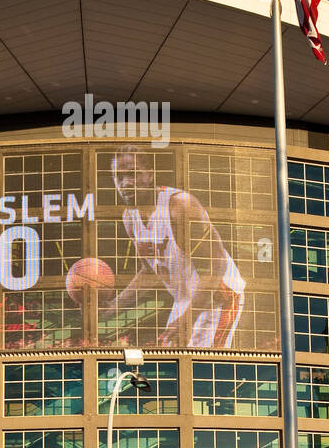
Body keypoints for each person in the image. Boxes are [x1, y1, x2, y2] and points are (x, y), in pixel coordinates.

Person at [104, 144, 247, 348]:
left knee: (201, 368)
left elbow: (217, 265)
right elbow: (150, 272)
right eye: (119, 177)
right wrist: (114, 306)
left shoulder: (180, 206)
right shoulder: (130, 217)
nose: (126, 183)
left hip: (219, 295)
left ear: (150, 175)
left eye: (133, 174)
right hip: (188, 298)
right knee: (174, 362)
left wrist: (187, 320)